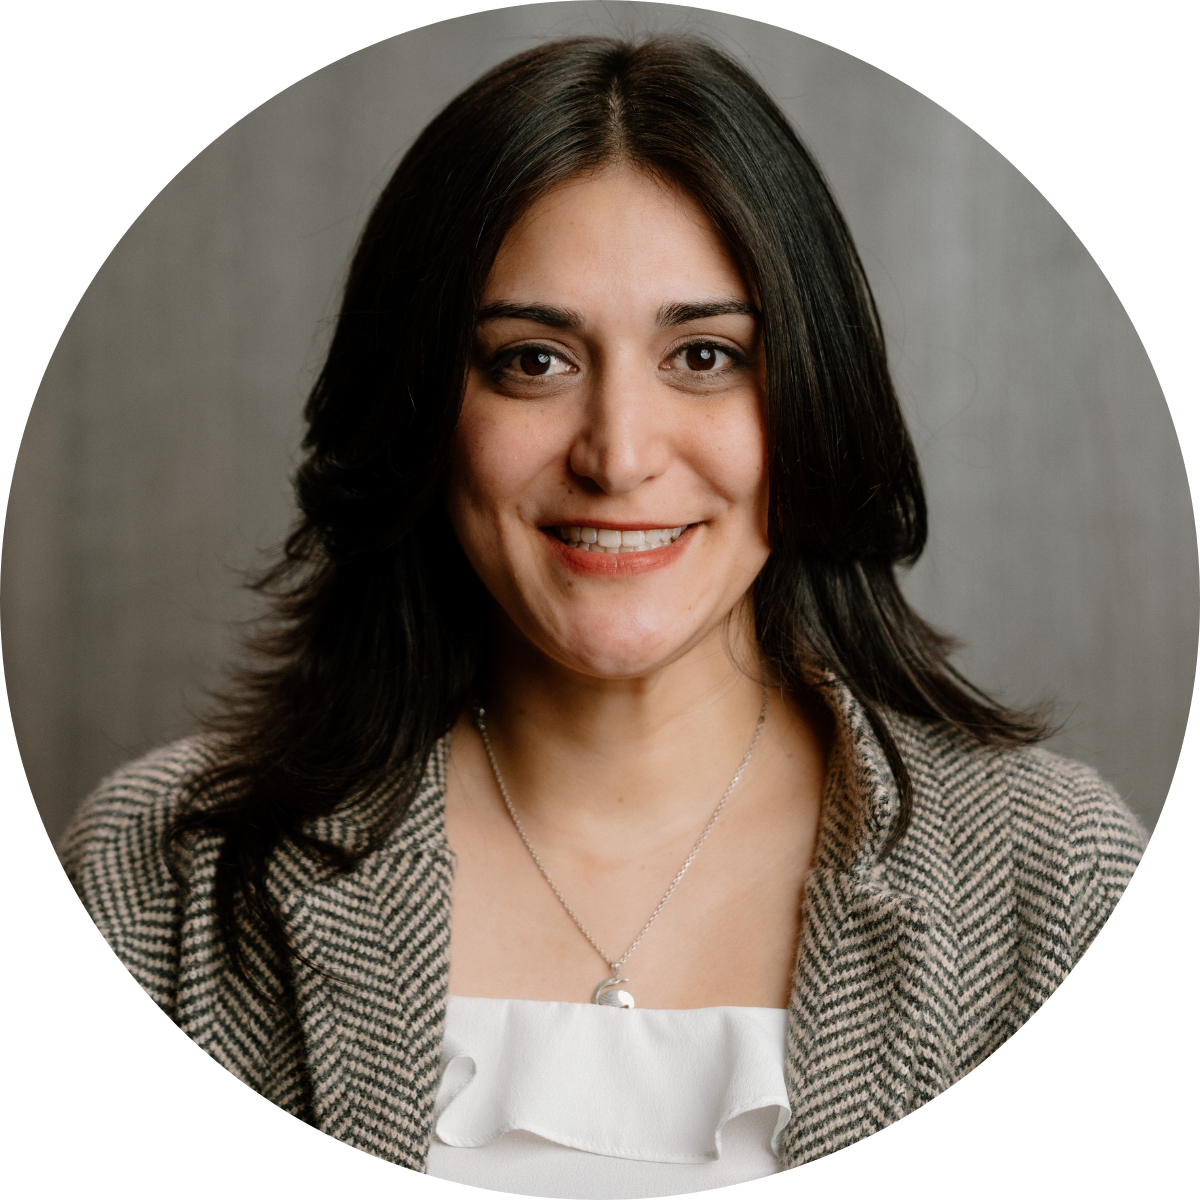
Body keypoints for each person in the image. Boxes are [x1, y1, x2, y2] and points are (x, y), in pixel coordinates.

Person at [63, 33, 1146, 1197]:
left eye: (705, 354)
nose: (619, 457)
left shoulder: (1065, 882)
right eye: (532, 360)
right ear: (421, 405)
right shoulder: (161, 877)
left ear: (813, 394)